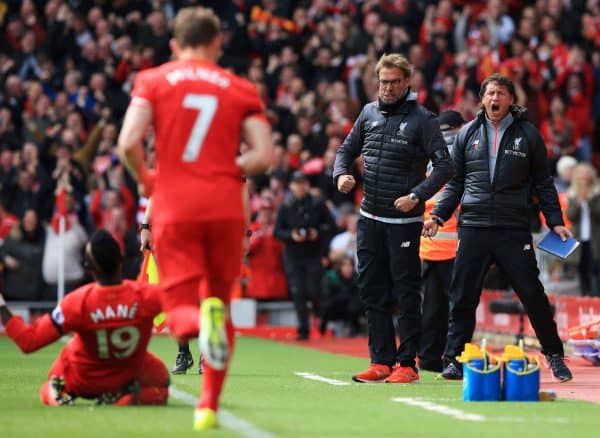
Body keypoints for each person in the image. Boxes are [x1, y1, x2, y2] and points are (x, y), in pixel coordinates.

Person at [117, 7, 273, 431]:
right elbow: (264, 155)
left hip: (175, 203)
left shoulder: (152, 80)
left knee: (178, 303)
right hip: (224, 204)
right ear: (217, 42)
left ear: (174, 45)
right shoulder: (239, 88)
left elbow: (128, 142)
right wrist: (225, 167)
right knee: (218, 301)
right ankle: (208, 406)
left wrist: (149, 180)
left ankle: (195, 322)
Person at [425, 73, 573, 382]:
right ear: (482, 99)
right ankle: (454, 360)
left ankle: (555, 356)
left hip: (512, 228)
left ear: (511, 100)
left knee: (533, 294)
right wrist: (438, 215)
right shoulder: (466, 134)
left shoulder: (529, 135)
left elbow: (544, 184)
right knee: (463, 296)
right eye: (491, 93)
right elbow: (455, 184)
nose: (495, 99)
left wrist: (556, 222)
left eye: (501, 94)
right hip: (474, 226)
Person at [333, 53, 453, 383]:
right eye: (382, 81)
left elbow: (445, 167)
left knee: (405, 292)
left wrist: (417, 196)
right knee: (372, 290)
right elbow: (344, 151)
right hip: (370, 217)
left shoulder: (423, 119)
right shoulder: (368, 113)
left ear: (407, 83)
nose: (386, 88)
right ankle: (380, 361)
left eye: (393, 82)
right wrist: (341, 174)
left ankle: (407, 365)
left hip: (404, 223)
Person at [0, 230, 169, 406]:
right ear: (121, 262)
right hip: (125, 377)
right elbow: (183, 298)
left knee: (59, 369)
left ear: (89, 269)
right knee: (161, 385)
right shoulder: (146, 296)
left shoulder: (76, 302)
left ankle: (53, 392)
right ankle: (125, 397)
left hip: (82, 381)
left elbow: (28, 341)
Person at [418, 110, 465, 372]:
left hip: (428, 244)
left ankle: (427, 358)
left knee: (431, 306)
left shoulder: (427, 155)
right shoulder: (463, 155)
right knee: (457, 306)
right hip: (454, 246)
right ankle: (453, 359)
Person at [274, 170, 335, 340]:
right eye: (297, 184)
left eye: (303, 183)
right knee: (297, 291)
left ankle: (319, 314)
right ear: (292, 186)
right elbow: (277, 231)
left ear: (307, 185)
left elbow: (331, 226)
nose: (300, 187)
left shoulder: (318, 204)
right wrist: (291, 235)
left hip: (313, 254)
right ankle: (303, 329)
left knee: (314, 290)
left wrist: (317, 232)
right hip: (293, 255)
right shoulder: (286, 206)